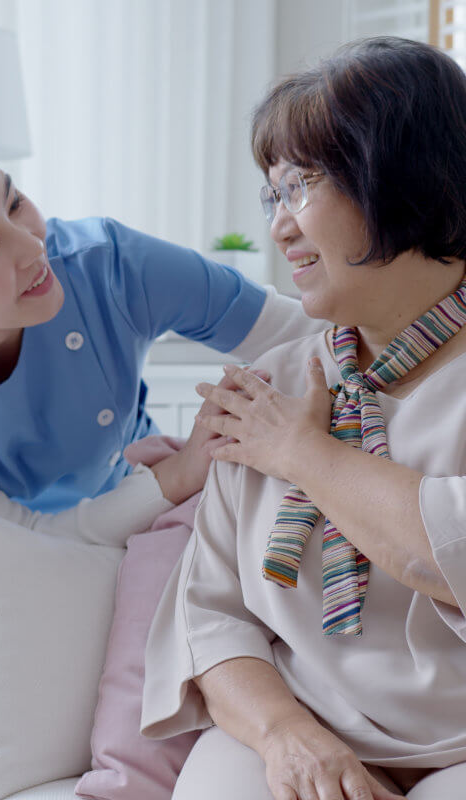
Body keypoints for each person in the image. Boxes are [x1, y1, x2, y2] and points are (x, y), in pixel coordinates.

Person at [141, 36, 466, 800]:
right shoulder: (269, 387)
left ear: (404, 177)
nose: (280, 228)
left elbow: (446, 551)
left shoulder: (277, 423)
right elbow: (210, 615)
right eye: (272, 197)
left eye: (302, 187)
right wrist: (289, 738)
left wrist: (301, 453)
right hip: (305, 721)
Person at [0, 121, 325, 607]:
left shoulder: (111, 267)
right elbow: (9, 541)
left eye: (14, 201)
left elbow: (306, 333)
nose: (32, 245)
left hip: (126, 506)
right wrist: (179, 474)